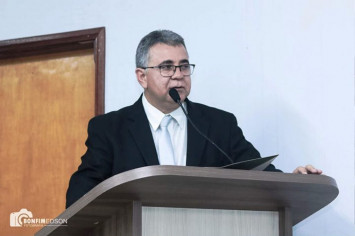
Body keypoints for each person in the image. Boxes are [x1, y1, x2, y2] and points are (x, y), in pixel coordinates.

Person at [66, 30, 322, 208]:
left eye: (184, 66)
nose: (178, 75)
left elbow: (255, 171)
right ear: (142, 77)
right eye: (166, 67)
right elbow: (81, 193)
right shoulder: (110, 129)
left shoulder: (218, 124)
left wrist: (293, 179)